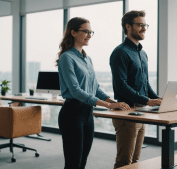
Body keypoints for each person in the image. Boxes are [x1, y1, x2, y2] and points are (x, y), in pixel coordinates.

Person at [56, 17, 130, 169]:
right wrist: (108, 106)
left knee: (82, 162)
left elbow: (95, 88)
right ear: (73, 32)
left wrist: (112, 102)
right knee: (73, 164)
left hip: (88, 114)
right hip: (72, 114)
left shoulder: (87, 58)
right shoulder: (66, 58)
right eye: (86, 31)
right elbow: (76, 91)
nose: (89, 35)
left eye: (91, 32)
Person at [109, 10, 162, 168]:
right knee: (124, 162)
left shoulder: (143, 54)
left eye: (145, 25)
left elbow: (145, 83)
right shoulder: (120, 52)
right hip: (127, 113)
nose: (144, 28)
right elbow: (121, 86)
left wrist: (158, 99)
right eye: (140, 25)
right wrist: (147, 100)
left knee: (135, 162)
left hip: (141, 111)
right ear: (128, 27)